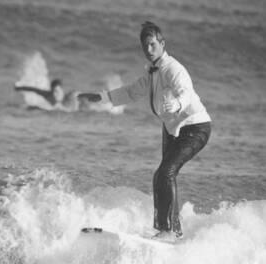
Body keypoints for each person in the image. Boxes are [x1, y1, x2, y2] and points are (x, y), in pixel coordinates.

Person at [78, 21, 211, 242]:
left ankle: (168, 230)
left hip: (195, 127)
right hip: (172, 129)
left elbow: (186, 91)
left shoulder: (173, 69)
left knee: (165, 173)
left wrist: (178, 104)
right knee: (163, 175)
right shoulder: (152, 73)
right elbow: (131, 92)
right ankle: (171, 230)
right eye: (145, 46)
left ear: (162, 43)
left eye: (152, 45)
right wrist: (104, 97)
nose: (148, 50)